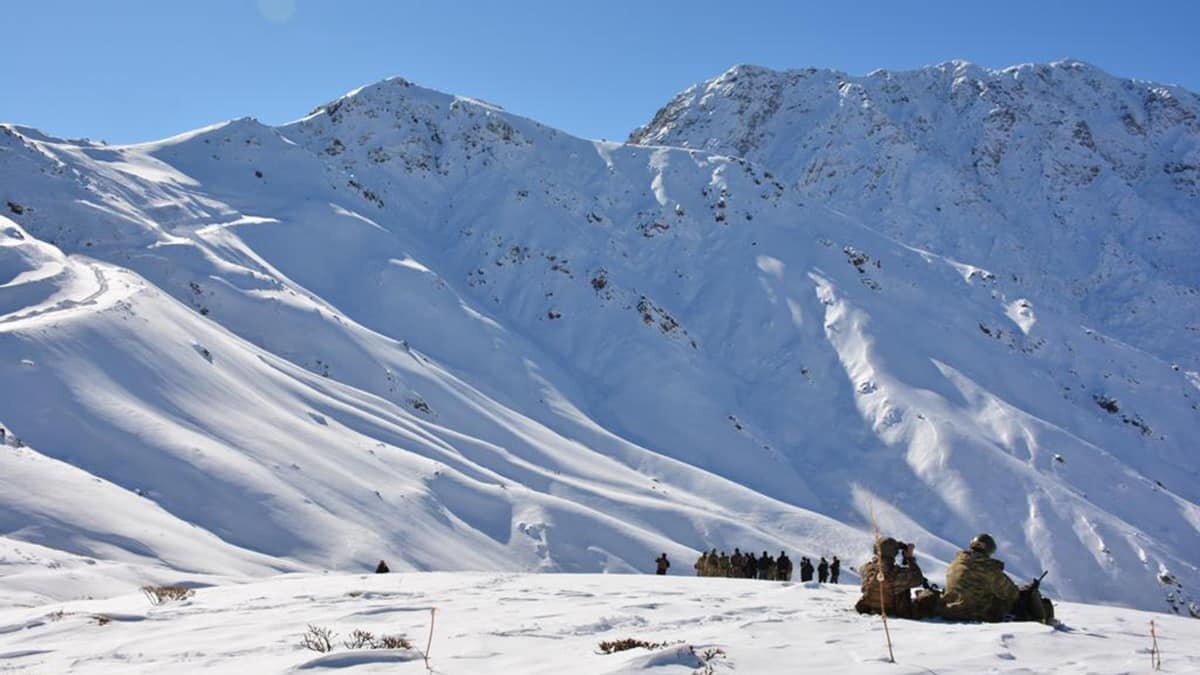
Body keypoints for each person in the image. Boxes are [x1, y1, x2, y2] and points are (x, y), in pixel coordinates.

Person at [940, 534, 1020, 622]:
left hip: (949, 610)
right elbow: (1012, 593)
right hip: (973, 614)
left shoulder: (955, 563)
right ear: (989, 550)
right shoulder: (989, 569)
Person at [854, 537, 926, 619]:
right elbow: (918, 578)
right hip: (892, 611)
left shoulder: (867, 568)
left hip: (870, 608)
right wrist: (909, 558)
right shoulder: (897, 574)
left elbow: (862, 568)